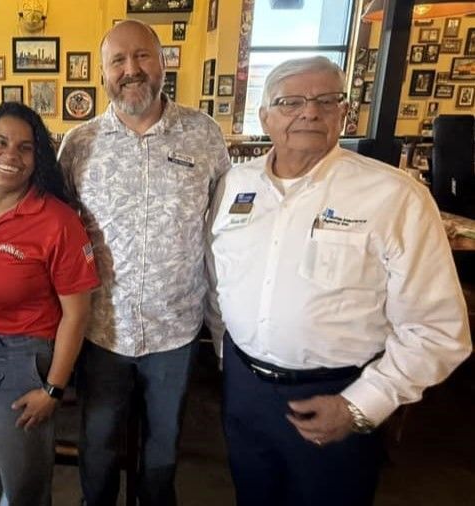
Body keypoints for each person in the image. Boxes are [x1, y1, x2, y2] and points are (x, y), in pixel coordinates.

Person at [206, 56, 472, 506]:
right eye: (290, 101)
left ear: (344, 113)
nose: (309, 112)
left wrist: (360, 405)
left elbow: (439, 329)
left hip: (337, 393)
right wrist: (226, 354)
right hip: (243, 389)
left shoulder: (395, 196)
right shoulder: (234, 183)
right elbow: (219, 279)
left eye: (326, 100)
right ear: (264, 116)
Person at [57, 19, 231, 506]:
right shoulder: (80, 144)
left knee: (162, 450)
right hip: (102, 329)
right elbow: (59, 233)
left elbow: (223, 230)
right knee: (98, 445)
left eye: (142, 57)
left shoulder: (204, 135)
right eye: (118, 60)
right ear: (103, 72)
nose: (131, 69)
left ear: (162, 63)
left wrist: (222, 324)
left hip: (176, 329)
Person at [0, 101, 99, 506]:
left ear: (38, 159)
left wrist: (53, 388)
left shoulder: (57, 221)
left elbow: (77, 314)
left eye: (25, 147)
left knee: (23, 482)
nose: (10, 155)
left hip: (23, 356)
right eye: (0, 142)